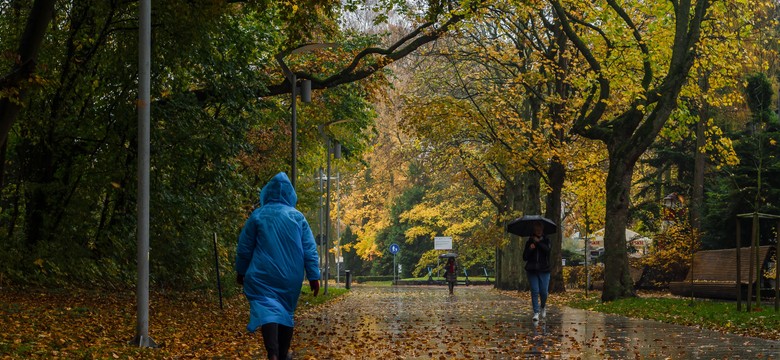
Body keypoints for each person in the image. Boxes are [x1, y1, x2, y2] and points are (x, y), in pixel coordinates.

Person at [235, 172, 320, 360]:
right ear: (291, 194)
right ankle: (282, 353)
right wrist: (314, 276)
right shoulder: (298, 217)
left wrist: (241, 270)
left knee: (268, 310)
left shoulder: (258, 215)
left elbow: (245, 247)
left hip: (262, 273)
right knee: (286, 312)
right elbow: (309, 249)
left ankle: (272, 352)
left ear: (267, 192)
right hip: (290, 276)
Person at [523, 221, 551, 322]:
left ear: (542, 230)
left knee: (544, 292)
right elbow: (524, 257)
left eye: (540, 230)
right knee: (535, 291)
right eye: (537, 230)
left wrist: (538, 243)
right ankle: (536, 312)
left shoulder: (546, 240)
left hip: (544, 269)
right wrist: (530, 249)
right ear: (534, 230)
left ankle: (542, 306)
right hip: (532, 270)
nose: (539, 231)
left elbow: (547, 251)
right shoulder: (529, 242)